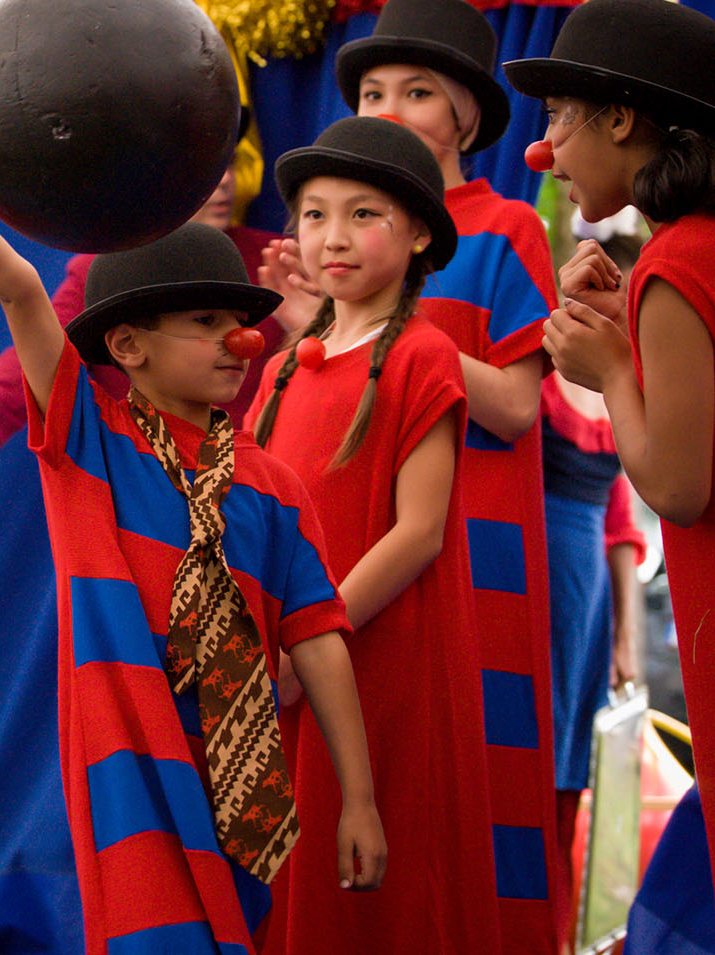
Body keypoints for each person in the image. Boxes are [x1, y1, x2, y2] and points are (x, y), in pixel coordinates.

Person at [0, 134, 384, 954]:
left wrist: (359, 798)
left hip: (241, 779)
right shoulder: (90, 444)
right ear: (128, 346)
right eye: (205, 322)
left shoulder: (274, 487)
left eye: (241, 322)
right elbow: (20, 287)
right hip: (132, 764)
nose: (239, 339)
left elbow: (319, 638)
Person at [326, 0, 562, 948]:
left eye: (416, 92)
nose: (388, 110)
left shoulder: (507, 227)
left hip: (476, 538)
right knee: (377, 764)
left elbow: (515, 405)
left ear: (465, 117)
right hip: (370, 537)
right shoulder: (344, 241)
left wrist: (394, 331)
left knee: (483, 768)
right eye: (373, 92)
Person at [246, 116, 501, 953]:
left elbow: (419, 531)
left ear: (419, 232)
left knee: (375, 880)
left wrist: (310, 643)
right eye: (314, 215)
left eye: (363, 214)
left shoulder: (425, 355)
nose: (333, 237)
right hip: (291, 656)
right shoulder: (283, 364)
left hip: (375, 652)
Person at [507, 0, 715, 883]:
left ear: (621, 120)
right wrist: (628, 326)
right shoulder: (693, 248)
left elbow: (678, 485)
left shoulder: (675, 259)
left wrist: (612, 372)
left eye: (560, 115)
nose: (544, 148)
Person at [0, 153, 282, 454]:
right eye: (206, 320)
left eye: (228, 163)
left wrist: (304, 325)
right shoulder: (113, 271)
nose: (225, 180)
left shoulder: (277, 260)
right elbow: (39, 327)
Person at [540, 367, 646, 934]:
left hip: (588, 611)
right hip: (534, 586)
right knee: (529, 765)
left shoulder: (620, 379)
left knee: (570, 781)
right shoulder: (536, 378)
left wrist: (627, 639)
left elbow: (621, 524)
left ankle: (554, 933)